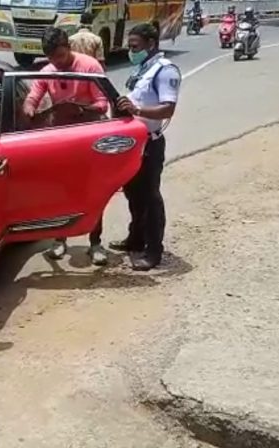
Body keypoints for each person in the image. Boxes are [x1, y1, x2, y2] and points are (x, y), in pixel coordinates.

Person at [23, 27, 109, 265]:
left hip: (89, 136)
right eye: (51, 58)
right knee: (61, 192)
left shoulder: (90, 67)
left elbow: (103, 103)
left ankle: (95, 243)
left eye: (60, 56)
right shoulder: (48, 71)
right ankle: (60, 240)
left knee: (94, 192)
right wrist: (29, 108)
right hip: (61, 139)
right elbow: (33, 95)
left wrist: (82, 109)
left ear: (68, 48)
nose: (57, 62)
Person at [113, 23, 182, 271]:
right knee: (133, 194)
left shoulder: (165, 71)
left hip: (150, 144)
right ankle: (136, 239)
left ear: (151, 44)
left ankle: (154, 251)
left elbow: (168, 108)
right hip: (134, 143)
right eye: (130, 46)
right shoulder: (145, 68)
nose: (131, 51)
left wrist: (137, 110)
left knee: (150, 197)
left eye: (135, 46)